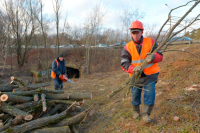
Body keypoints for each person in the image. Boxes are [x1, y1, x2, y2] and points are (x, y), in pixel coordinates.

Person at [121, 20, 163, 122]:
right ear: (131, 33)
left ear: (142, 32)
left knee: (150, 93)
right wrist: (132, 69)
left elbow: (160, 56)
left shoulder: (151, 42)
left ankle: (146, 114)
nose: (135, 35)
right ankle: (136, 112)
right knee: (135, 94)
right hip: (135, 76)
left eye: (137, 32)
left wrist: (154, 57)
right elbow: (124, 62)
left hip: (151, 74)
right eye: (133, 32)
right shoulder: (127, 47)